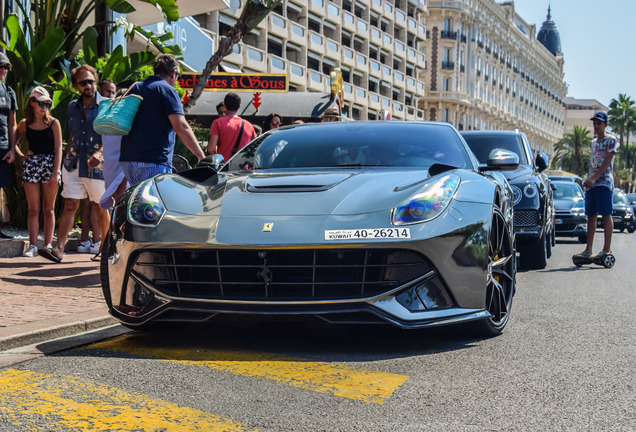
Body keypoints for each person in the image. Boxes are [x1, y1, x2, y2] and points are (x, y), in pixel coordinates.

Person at [39, 65, 110, 263]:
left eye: (91, 81)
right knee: (70, 204)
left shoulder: (107, 105)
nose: (89, 85)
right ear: (75, 86)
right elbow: (73, 134)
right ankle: (58, 250)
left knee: (99, 206)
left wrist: (101, 154)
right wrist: (63, 162)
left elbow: (112, 136)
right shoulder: (72, 106)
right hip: (74, 162)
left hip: (97, 164)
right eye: (83, 82)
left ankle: (105, 249)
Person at [120, 53, 205, 186]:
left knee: (138, 202)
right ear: (173, 73)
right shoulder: (167, 90)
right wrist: (200, 156)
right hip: (153, 159)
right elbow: (181, 126)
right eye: (177, 76)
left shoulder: (136, 87)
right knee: (155, 203)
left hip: (128, 160)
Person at [13, 87, 62, 257]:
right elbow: (13, 143)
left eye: (47, 103)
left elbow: (58, 149)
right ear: (32, 103)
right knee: (33, 209)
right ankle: (33, 245)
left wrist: (56, 172)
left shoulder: (54, 123)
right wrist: (22, 157)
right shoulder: (25, 124)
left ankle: (48, 245)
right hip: (32, 166)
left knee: (49, 209)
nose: (44, 107)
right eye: (41, 103)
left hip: (50, 166)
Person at [574, 111, 618, 260]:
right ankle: (588, 249)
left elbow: (607, 162)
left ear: (606, 124)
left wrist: (594, 178)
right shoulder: (593, 142)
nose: (596, 125)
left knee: (606, 214)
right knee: (591, 216)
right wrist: (588, 180)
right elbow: (593, 162)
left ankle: (607, 249)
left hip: (604, 182)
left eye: (599, 123)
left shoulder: (611, 140)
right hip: (591, 184)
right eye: (594, 123)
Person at [99, 87, 128, 209]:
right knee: (121, 201)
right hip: (119, 164)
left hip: (111, 166)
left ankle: (117, 226)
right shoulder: (128, 120)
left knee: (119, 200)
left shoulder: (107, 118)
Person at [207, 92, 256, 160]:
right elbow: (254, 149)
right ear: (239, 107)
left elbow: (211, 148)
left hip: (223, 166)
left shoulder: (217, 123)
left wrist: (220, 155)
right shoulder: (249, 125)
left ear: (224, 106)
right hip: (242, 168)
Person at [0, 52, 17, 239]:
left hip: (3, 147)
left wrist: (13, 148)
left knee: (0, 187)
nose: (3, 70)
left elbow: (13, 122)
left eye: (6, 67)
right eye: (1, 67)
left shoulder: (9, 91)